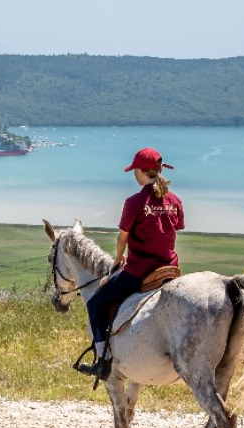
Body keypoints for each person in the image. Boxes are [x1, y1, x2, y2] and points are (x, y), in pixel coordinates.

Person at [76, 147, 184, 380]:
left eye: (135, 170)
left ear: (143, 172)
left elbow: (123, 236)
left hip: (140, 270)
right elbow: (174, 229)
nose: (134, 174)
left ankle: (102, 361)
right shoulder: (175, 200)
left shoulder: (134, 201)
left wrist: (118, 258)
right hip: (170, 268)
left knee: (95, 304)